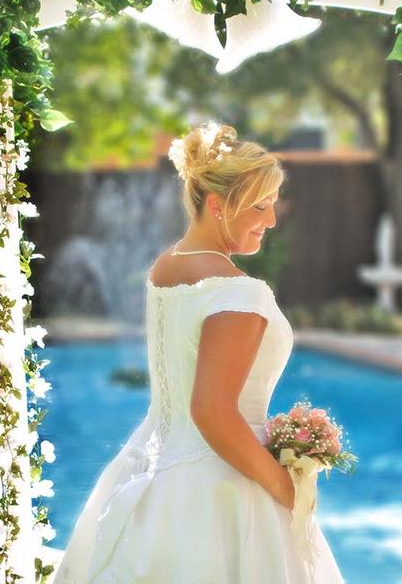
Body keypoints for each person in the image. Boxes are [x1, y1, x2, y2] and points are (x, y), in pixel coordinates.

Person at [53, 121, 345, 583]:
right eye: (259, 207)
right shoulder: (238, 292)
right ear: (217, 204)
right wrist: (282, 488)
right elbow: (211, 410)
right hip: (225, 489)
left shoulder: (166, 268)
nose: (271, 220)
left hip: (150, 467)